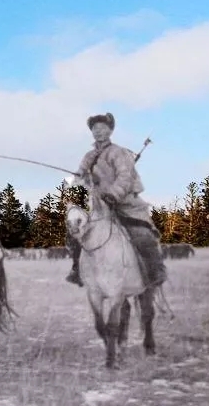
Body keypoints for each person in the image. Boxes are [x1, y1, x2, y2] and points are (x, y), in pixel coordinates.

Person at [65, 112, 167, 288]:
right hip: (98, 207)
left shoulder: (119, 153)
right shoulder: (88, 157)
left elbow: (125, 177)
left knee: (143, 236)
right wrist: (77, 181)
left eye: (102, 128)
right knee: (74, 233)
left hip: (126, 205)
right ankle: (77, 270)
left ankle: (155, 272)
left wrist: (112, 194)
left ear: (110, 131)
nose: (98, 131)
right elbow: (79, 179)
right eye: (94, 128)